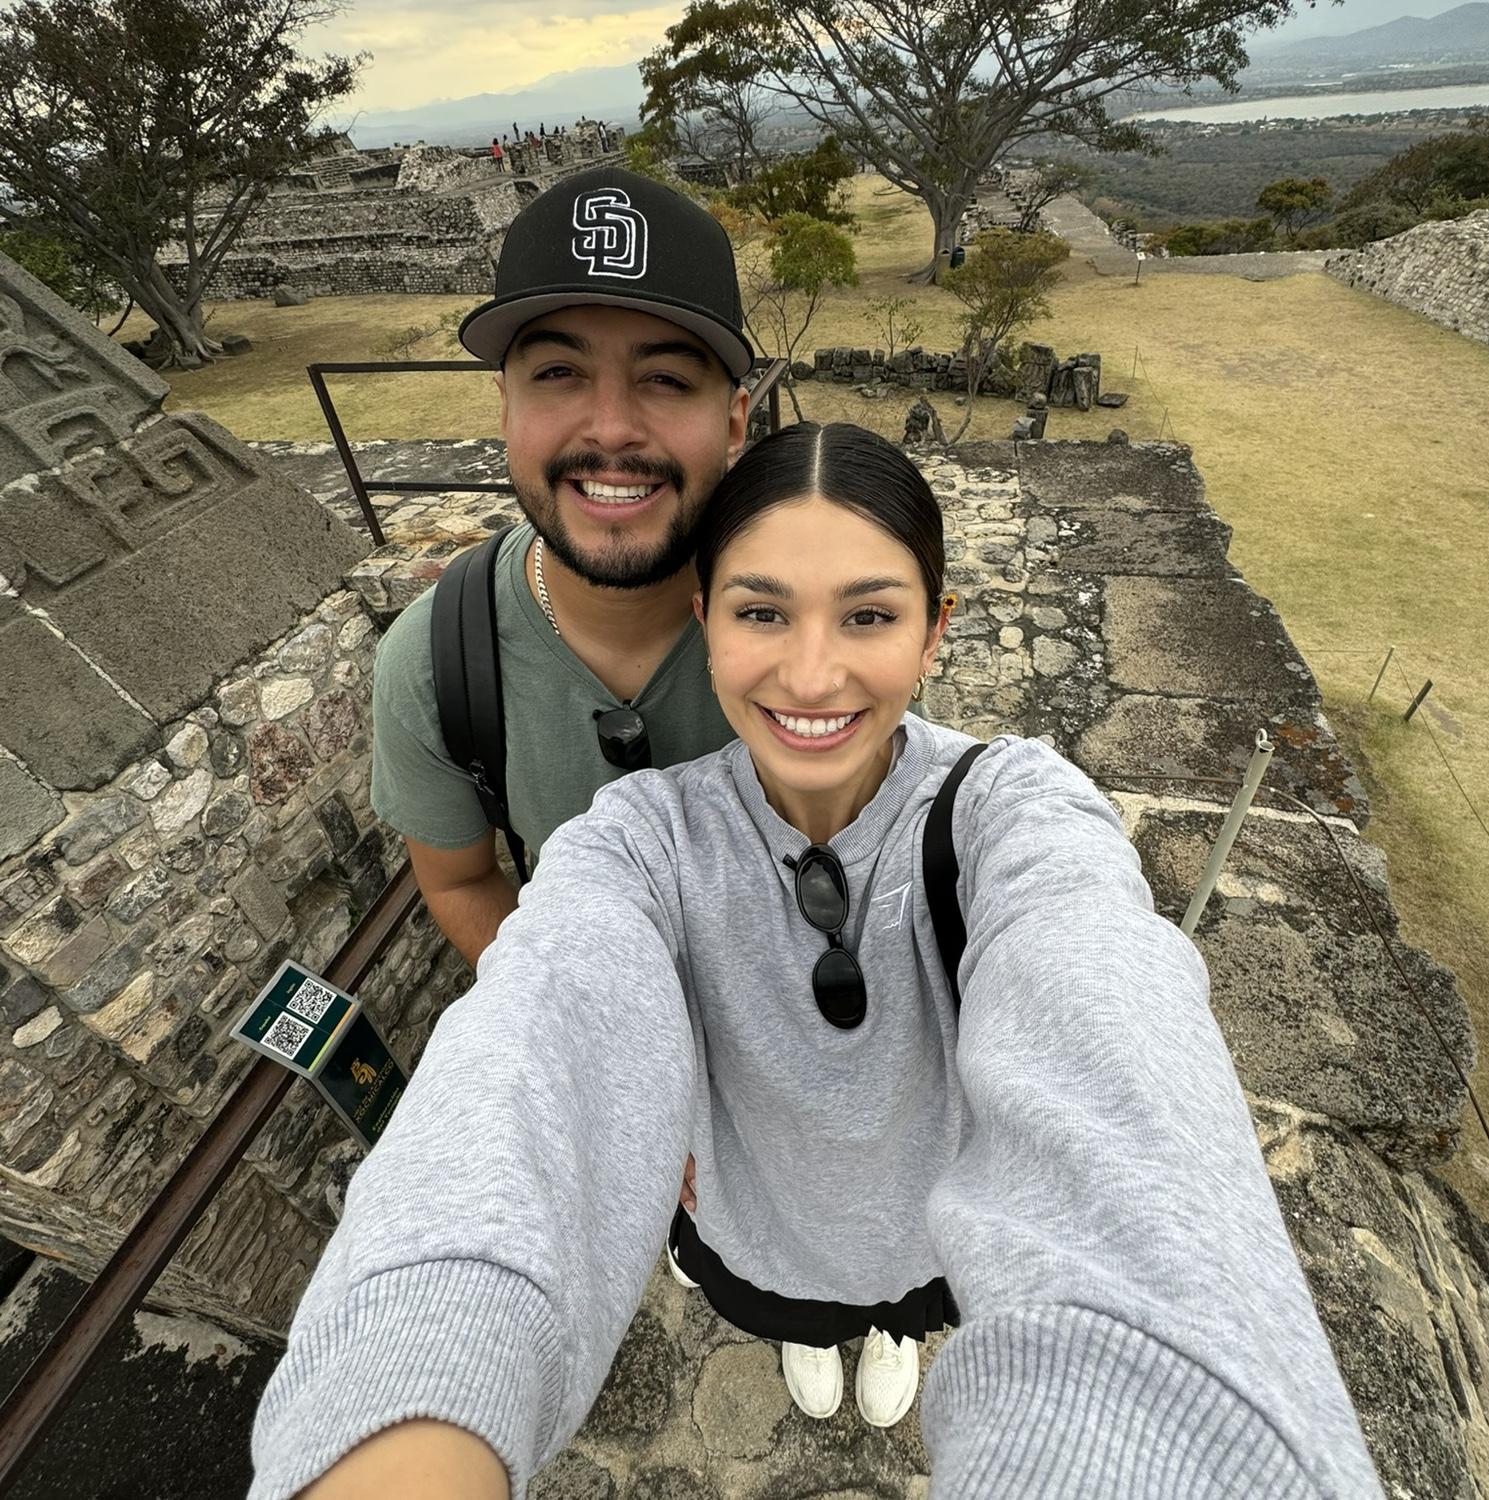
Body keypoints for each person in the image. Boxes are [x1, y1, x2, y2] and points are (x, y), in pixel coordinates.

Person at [250, 424, 1383, 1500]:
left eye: (868, 617)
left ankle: (885, 1324)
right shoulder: (639, 840)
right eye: (763, 612)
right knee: (790, 1310)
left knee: (895, 1305)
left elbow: (1112, 1052)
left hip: (923, 1215)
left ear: (935, 631)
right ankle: (820, 1328)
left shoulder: (1011, 810)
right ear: (707, 621)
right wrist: (405, 1396)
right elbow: (531, 1053)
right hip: (756, 1220)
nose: (809, 674)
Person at [371, 165, 751, 973]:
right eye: (558, 373)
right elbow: (462, 880)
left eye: (666, 378)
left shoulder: (820, 614)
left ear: (734, 421)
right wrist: (583, 1009)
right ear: (505, 408)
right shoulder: (436, 664)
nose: (611, 429)